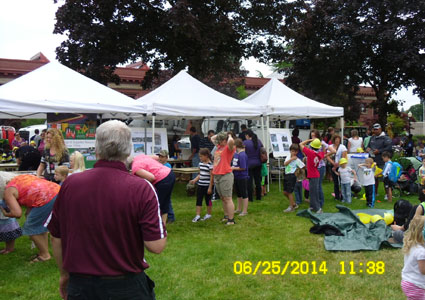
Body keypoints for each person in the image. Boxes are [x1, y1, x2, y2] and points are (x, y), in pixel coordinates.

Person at [48, 120, 166, 300]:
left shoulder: (71, 184)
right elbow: (156, 245)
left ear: (97, 150)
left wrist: (64, 274)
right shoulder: (142, 188)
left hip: (82, 286)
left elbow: (56, 236)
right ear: (128, 151)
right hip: (126, 285)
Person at [0, 173, 60, 262]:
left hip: (47, 197)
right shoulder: (21, 178)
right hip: (57, 190)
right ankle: (43, 251)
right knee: (39, 227)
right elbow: (30, 193)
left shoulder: (8, 192)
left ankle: (45, 255)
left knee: (31, 227)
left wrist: (6, 213)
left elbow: (17, 213)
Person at [132, 153, 176, 224]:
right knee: (165, 201)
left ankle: (156, 224)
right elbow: (156, 157)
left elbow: (152, 178)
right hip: (170, 173)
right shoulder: (140, 156)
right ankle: (163, 225)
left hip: (162, 179)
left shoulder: (135, 167)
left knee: (156, 203)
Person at [211, 132, 236, 225]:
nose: (219, 142)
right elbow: (212, 138)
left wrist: (229, 135)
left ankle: (231, 220)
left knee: (228, 198)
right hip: (217, 174)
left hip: (225, 174)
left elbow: (231, 141)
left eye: (221, 140)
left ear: (225, 141)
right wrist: (223, 133)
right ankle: (226, 216)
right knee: (223, 198)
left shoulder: (229, 148)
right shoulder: (218, 146)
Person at [401, 216, 425, 299]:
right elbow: (423, 270)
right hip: (417, 285)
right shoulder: (421, 251)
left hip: (407, 282)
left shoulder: (412, 245)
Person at [299, 139, 326, 213]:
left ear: (311, 146)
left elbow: (300, 144)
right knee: (312, 192)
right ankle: (312, 207)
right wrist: (322, 145)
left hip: (313, 175)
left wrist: (310, 140)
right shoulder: (319, 154)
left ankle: (318, 208)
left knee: (314, 192)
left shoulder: (310, 152)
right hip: (315, 174)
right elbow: (323, 152)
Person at [366, 123, 392, 194]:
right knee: (374, 177)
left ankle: (388, 194)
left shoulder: (386, 138)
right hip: (374, 160)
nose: (375, 131)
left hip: (383, 161)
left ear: (380, 129)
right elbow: (368, 146)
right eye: (374, 130)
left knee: (385, 178)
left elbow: (389, 148)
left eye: (377, 130)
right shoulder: (372, 138)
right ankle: (375, 192)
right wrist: (368, 149)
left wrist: (379, 151)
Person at [190, 148, 213, 222]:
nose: (200, 158)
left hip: (207, 186)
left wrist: (210, 187)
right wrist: (195, 180)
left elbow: (212, 177)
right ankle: (198, 215)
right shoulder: (200, 164)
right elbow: (200, 174)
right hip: (200, 185)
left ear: (206, 156)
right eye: (199, 156)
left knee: (208, 200)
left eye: (201, 156)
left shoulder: (210, 165)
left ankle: (209, 214)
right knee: (199, 200)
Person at [283, 144, 305, 212]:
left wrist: (298, 172)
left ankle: (291, 207)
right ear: (290, 151)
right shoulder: (288, 157)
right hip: (286, 175)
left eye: (295, 151)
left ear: (297, 152)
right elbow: (285, 163)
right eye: (292, 151)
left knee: (289, 192)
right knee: (285, 192)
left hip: (292, 176)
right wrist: (292, 159)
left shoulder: (297, 160)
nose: (294, 153)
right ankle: (293, 203)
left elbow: (303, 166)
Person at [244, 129, 263, 202]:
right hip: (258, 163)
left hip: (249, 164)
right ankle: (259, 196)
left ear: (247, 135)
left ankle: (250, 198)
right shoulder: (259, 141)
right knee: (258, 180)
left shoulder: (245, 142)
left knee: (249, 181)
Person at [310, 129, 328, 209]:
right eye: (311, 135)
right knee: (314, 186)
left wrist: (323, 156)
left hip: (320, 166)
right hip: (314, 167)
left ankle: (320, 202)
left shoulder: (322, 143)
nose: (312, 137)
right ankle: (315, 203)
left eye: (314, 135)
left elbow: (332, 150)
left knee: (318, 185)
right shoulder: (311, 144)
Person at [157, 149, 175, 223]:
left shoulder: (167, 166)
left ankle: (171, 216)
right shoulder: (158, 164)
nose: (160, 158)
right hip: (161, 185)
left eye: (162, 157)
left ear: (166, 158)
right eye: (159, 156)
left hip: (167, 185)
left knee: (167, 201)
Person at [232, 139, 249, 216]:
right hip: (236, 176)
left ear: (236, 146)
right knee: (238, 194)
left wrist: (233, 168)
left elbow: (243, 167)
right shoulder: (236, 154)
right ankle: (239, 208)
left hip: (242, 176)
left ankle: (244, 210)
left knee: (244, 193)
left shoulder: (242, 155)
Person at [328, 135, 348, 201]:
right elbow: (328, 156)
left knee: (342, 181)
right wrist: (333, 163)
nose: (337, 140)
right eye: (335, 139)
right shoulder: (330, 147)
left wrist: (339, 164)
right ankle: (337, 196)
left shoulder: (342, 147)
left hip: (341, 166)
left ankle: (343, 195)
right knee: (335, 182)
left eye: (338, 139)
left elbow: (344, 156)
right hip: (333, 165)